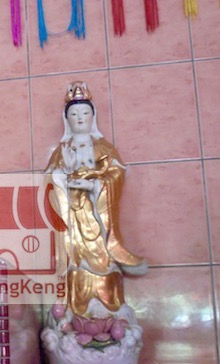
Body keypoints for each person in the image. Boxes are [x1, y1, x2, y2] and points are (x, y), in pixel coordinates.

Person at [45, 82, 147, 317]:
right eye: (74, 114)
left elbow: (117, 174)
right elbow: (49, 179)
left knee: (103, 258)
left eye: (84, 113)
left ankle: (111, 309)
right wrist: (64, 175)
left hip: (97, 216)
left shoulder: (104, 148)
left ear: (93, 116)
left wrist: (93, 185)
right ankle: (73, 311)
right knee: (74, 259)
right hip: (73, 218)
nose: (80, 118)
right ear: (66, 119)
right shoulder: (61, 151)